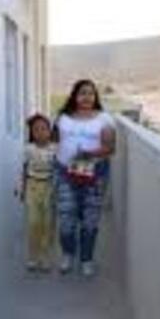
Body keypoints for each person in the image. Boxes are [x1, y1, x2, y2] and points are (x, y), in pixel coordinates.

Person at [54, 80, 116, 277]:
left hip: (95, 174)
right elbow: (55, 141)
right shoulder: (63, 117)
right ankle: (67, 254)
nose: (86, 97)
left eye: (90, 93)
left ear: (95, 96)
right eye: (82, 93)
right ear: (75, 96)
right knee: (66, 217)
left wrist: (88, 154)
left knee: (90, 219)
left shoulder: (104, 119)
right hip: (65, 172)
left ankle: (86, 259)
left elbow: (110, 147)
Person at [16, 113, 57, 272]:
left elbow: (59, 170)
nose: (40, 132)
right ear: (32, 133)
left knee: (48, 223)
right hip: (32, 187)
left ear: (49, 131)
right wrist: (21, 188)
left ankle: (45, 257)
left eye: (44, 129)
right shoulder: (28, 149)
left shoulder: (55, 149)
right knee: (34, 223)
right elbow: (23, 170)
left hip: (49, 187)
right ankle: (33, 256)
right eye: (36, 129)